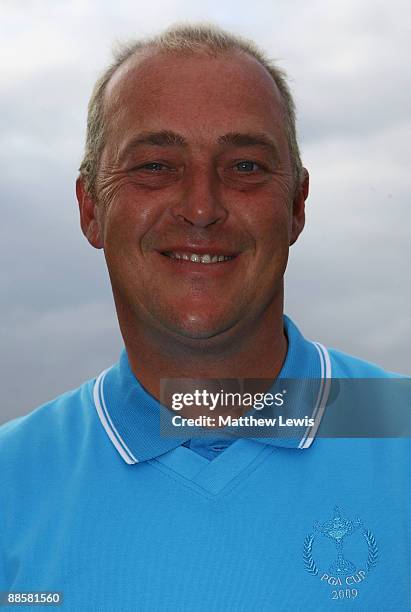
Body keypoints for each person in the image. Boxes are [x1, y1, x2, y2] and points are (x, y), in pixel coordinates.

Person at [1, 23, 410, 611]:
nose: (201, 206)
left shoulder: (400, 429)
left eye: (244, 166)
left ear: (296, 205)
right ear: (90, 208)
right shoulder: (10, 482)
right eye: (155, 166)